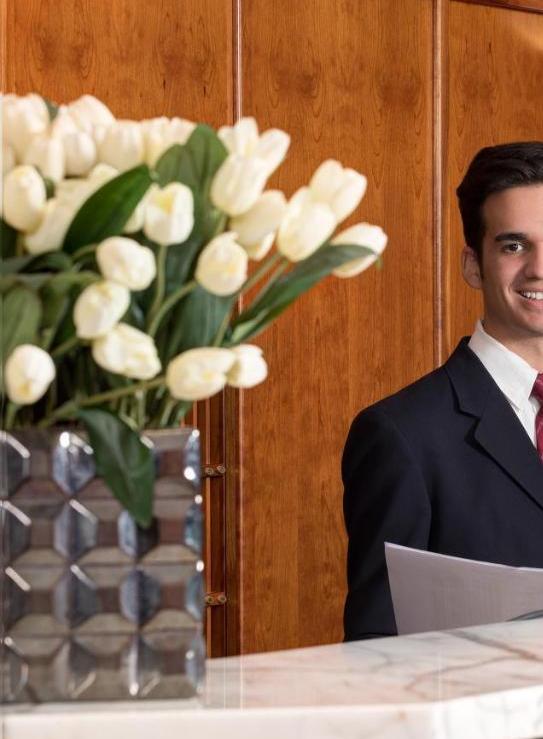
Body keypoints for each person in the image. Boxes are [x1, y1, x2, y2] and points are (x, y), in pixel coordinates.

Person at [343, 141, 543, 641]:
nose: (539, 268)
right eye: (514, 246)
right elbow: (379, 651)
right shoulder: (401, 436)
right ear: (473, 265)